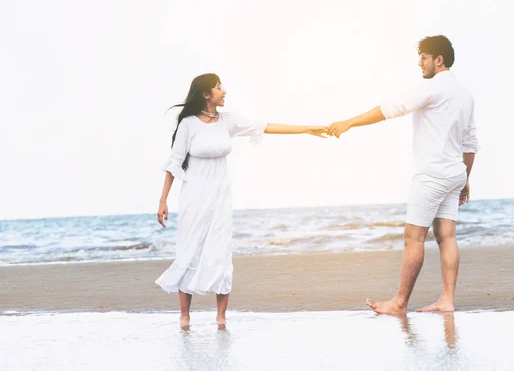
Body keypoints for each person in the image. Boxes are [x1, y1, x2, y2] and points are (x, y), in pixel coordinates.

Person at [155, 73, 327, 329]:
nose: (224, 91)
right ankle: (185, 316)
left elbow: (264, 126)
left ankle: (221, 317)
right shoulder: (188, 124)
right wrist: (163, 201)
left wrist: (307, 129)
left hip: (220, 197)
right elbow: (174, 162)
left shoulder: (227, 121)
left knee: (221, 250)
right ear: (206, 95)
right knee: (190, 249)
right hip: (194, 197)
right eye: (218, 88)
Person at [328, 35, 480, 314]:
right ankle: (447, 300)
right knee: (447, 235)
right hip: (454, 174)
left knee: (414, 237)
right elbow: (470, 143)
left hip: (432, 175)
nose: (419, 62)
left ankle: (399, 302)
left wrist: (349, 122)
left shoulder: (432, 89)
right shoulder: (465, 94)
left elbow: (390, 108)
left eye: (424, 57)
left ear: (439, 60)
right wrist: (466, 178)